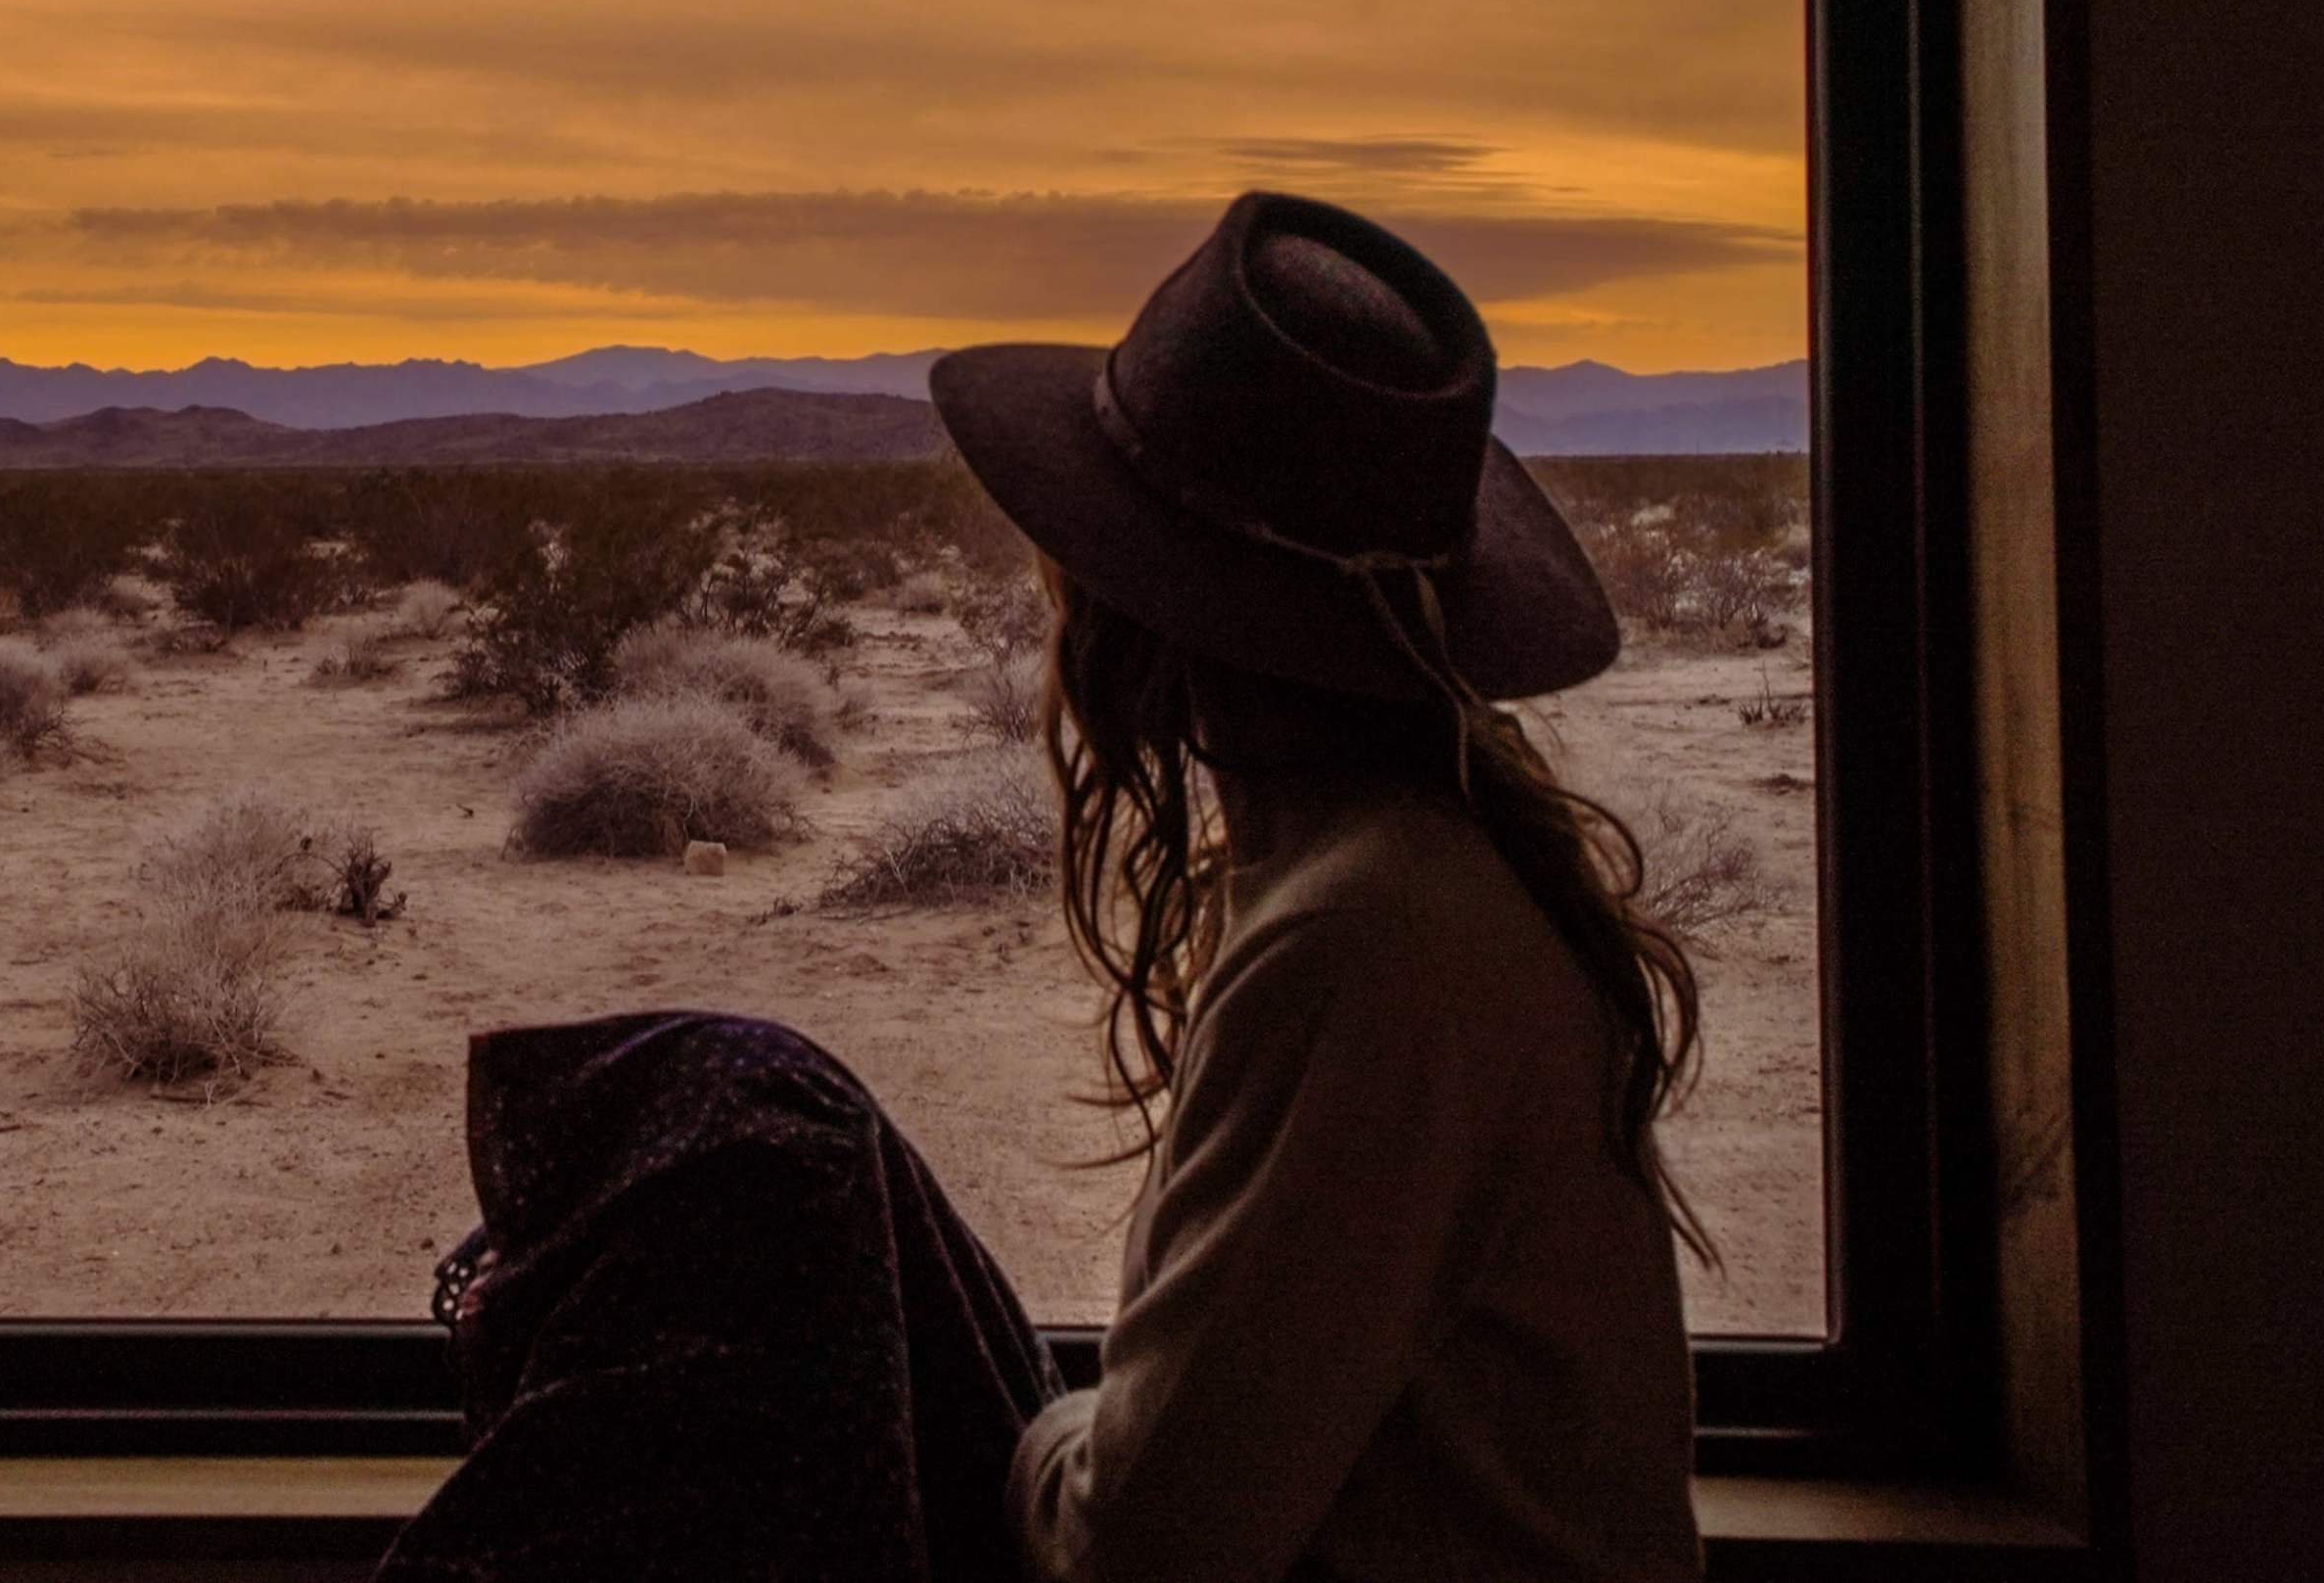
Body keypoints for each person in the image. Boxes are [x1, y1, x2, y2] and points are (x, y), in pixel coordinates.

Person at [378, 191, 1706, 1583]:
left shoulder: (1366, 942)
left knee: (757, 1147)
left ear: (1148, 602)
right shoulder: (1402, 876)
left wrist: (1018, 1426)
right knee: (770, 1120)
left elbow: (1129, 1549)